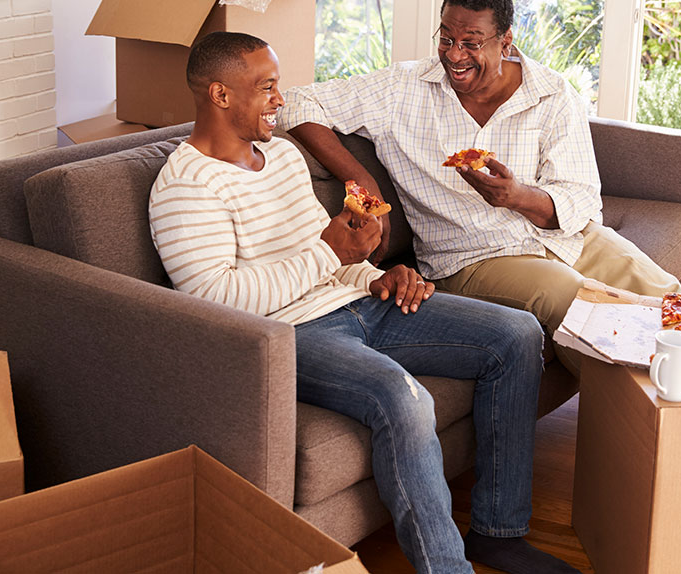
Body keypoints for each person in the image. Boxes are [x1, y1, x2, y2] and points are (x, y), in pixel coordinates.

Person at [148, 31, 582, 574]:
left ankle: (498, 531)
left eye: (278, 85)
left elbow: (332, 257)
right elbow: (217, 302)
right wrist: (330, 252)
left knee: (516, 335)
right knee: (406, 399)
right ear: (220, 95)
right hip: (290, 336)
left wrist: (377, 275)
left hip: (359, 303)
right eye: (266, 88)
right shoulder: (184, 185)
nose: (280, 100)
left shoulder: (281, 155)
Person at [274, 0, 681, 378]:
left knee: (668, 297)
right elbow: (296, 103)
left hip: (564, 238)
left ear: (505, 41)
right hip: (473, 258)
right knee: (573, 301)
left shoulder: (552, 94)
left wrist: (517, 196)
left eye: (471, 43)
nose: (454, 55)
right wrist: (365, 184)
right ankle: (638, 424)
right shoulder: (402, 89)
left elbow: (581, 198)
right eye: (446, 39)